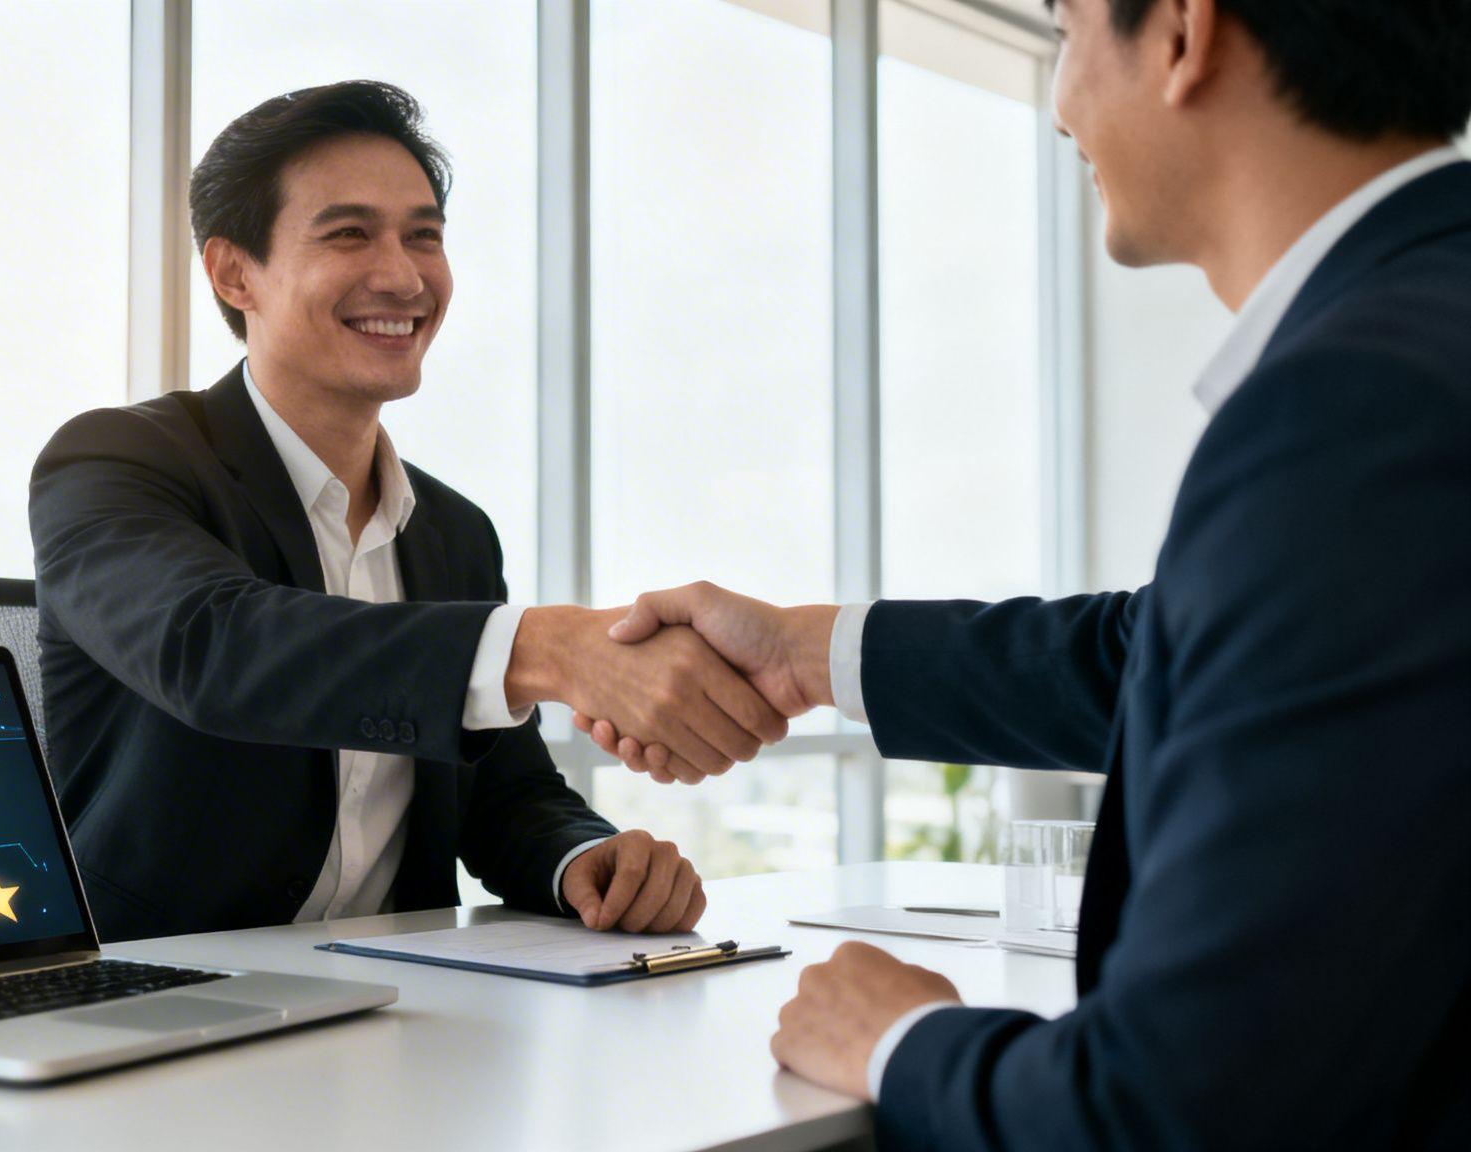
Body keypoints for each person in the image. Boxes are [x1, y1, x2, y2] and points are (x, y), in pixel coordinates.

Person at [579, 0, 1471, 1145]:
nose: (1057, 106)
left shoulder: (1349, 409)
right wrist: (809, 654)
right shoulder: (1418, 346)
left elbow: (1183, 1109)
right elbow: (1171, 650)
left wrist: (900, 1039)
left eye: (1063, 29)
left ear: (1182, 35)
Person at [30, 80, 784, 944]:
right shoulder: (116, 462)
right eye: (349, 234)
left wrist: (584, 860)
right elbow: (215, 648)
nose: (402, 274)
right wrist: (544, 649)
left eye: (423, 236)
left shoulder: (453, 532)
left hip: (396, 1003)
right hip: (156, 989)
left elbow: (505, 793)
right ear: (235, 272)